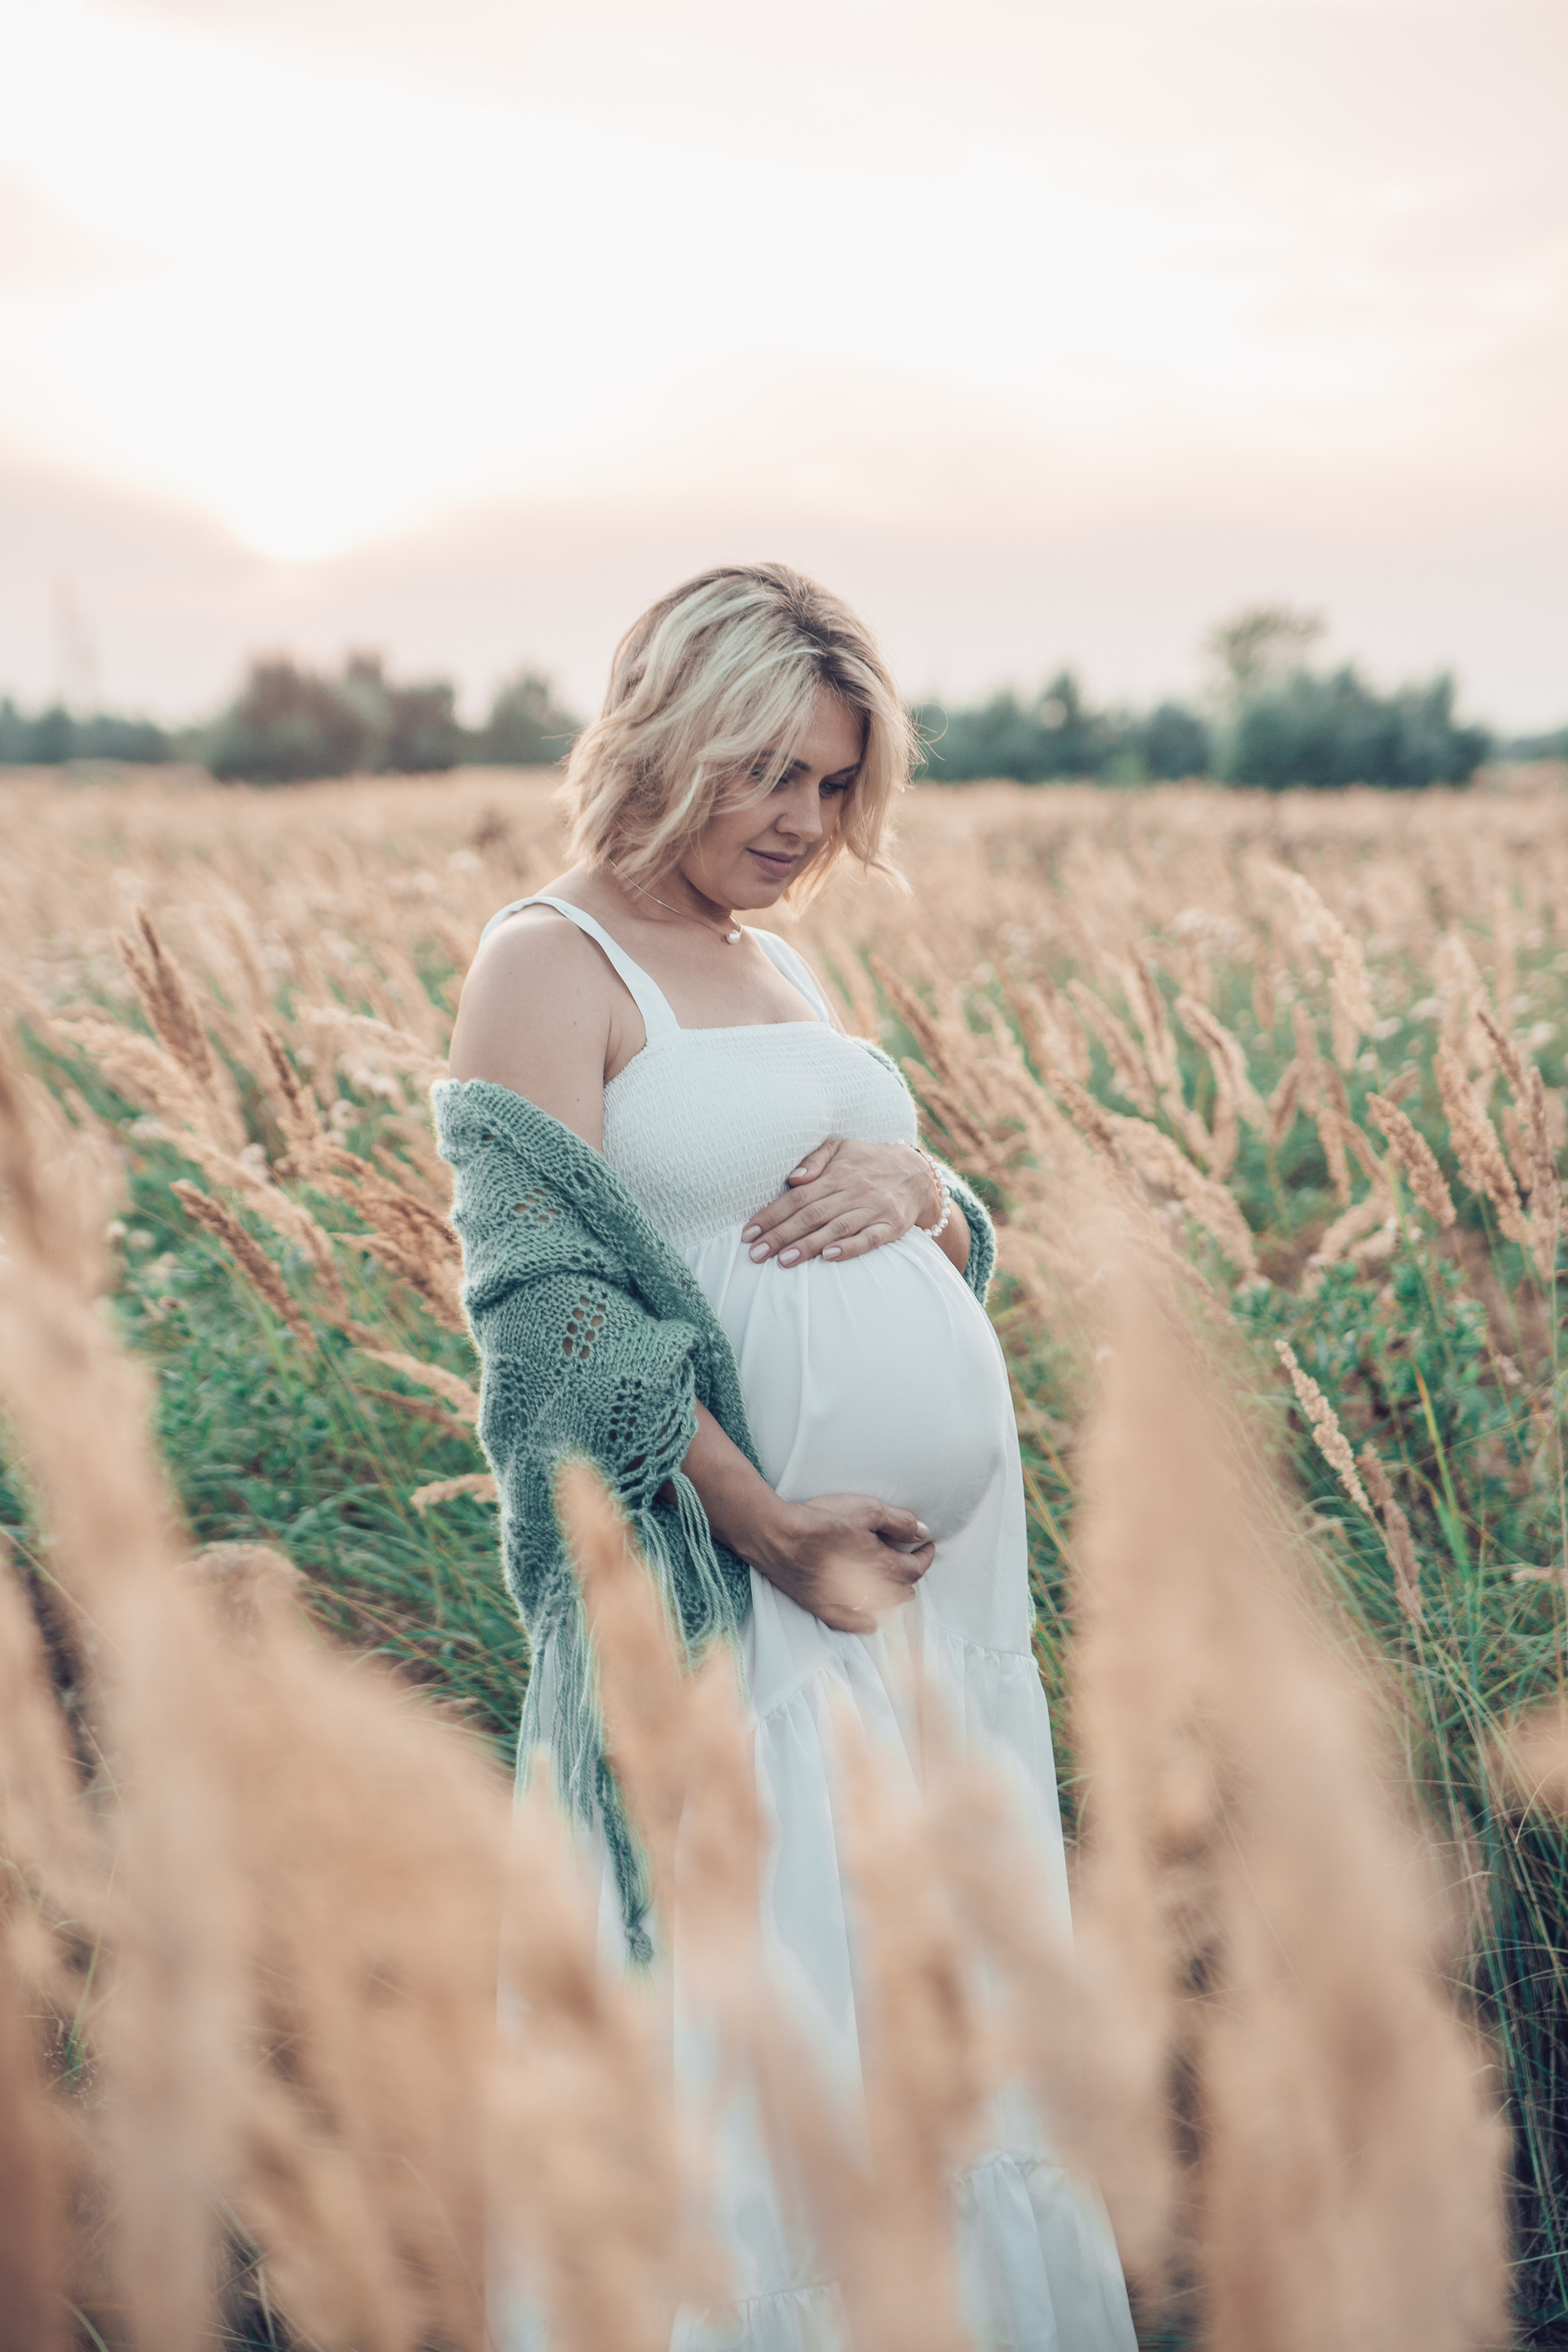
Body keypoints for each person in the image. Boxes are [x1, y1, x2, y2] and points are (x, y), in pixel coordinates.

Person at [438, 562, 1136, 2350]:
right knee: (779, 2025)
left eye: (832, 783)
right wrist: (764, 1527)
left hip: (926, 1618)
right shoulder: (552, 960)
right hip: (745, 1596)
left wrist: (933, 1191)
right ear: (663, 735)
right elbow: (547, 1308)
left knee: (933, 2020)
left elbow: (912, 1230)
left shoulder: (782, 961)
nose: (802, 821)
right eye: (765, 772)